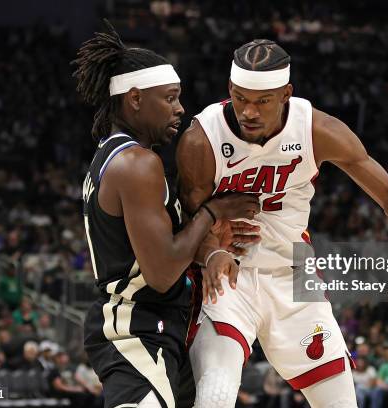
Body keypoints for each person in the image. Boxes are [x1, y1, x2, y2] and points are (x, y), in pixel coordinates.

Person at [177, 38, 388, 407]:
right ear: (229, 90)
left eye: (262, 101)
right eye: (240, 98)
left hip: (295, 270)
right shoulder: (201, 139)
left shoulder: (316, 130)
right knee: (215, 396)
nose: (248, 111)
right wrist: (210, 254)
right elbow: (187, 217)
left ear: (286, 93)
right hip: (229, 274)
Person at [73, 22, 260, 408]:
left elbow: (162, 249)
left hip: (156, 325)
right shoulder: (137, 164)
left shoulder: (114, 157)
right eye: (170, 98)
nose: (179, 108)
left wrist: (209, 252)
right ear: (136, 99)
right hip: (137, 327)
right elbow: (160, 274)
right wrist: (211, 212)